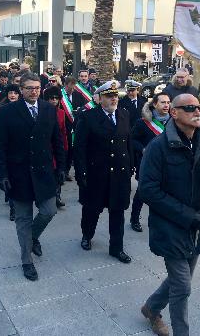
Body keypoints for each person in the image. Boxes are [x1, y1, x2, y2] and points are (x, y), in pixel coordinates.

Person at [139, 93, 200, 336]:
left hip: (198, 225)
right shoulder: (158, 147)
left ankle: (151, 307)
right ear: (174, 113)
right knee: (182, 286)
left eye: (198, 107)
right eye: (189, 108)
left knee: (180, 280)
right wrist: (185, 215)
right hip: (171, 226)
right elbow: (148, 190)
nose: (197, 111)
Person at [0, 72, 65, 281]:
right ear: (21, 90)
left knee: (49, 210)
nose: (34, 91)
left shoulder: (49, 109)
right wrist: (1, 174)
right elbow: (0, 146)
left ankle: (32, 237)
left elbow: (57, 141)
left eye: (36, 88)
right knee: (23, 219)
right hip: (19, 174)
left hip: (43, 172)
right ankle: (27, 260)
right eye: (29, 88)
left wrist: (61, 166)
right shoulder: (7, 112)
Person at [74, 80, 132, 263]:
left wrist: (131, 165)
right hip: (96, 174)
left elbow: (127, 142)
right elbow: (80, 148)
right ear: (99, 99)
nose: (114, 99)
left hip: (119, 174)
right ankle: (87, 235)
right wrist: (81, 172)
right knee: (92, 209)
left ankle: (117, 247)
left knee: (118, 212)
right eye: (109, 96)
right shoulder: (88, 117)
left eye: (115, 96)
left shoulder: (124, 114)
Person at [129, 92, 170, 232]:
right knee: (142, 193)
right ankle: (134, 219)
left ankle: (161, 220)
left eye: (168, 102)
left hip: (166, 165)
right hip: (147, 164)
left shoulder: (174, 122)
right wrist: (143, 149)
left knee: (164, 193)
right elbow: (132, 140)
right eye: (163, 102)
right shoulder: (143, 122)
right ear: (154, 104)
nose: (166, 105)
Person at [0, 84, 21, 221]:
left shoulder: (24, 108)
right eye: (10, 92)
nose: (12, 95)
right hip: (8, 149)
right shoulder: (2, 109)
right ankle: (13, 209)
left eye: (15, 93)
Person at [44, 86, 69, 208]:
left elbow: (64, 132)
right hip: (45, 147)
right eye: (51, 98)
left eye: (56, 98)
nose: (54, 100)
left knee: (58, 171)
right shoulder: (42, 112)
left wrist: (65, 148)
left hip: (57, 147)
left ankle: (57, 196)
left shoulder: (61, 113)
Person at [60, 76, 86, 179]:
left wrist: (79, 110)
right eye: (71, 87)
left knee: (72, 149)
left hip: (75, 126)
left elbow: (84, 107)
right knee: (64, 149)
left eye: (75, 87)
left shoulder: (78, 95)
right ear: (66, 85)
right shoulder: (60, 95)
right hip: (64, 126)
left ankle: (67, 171)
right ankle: (62, 171)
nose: (73, 89)